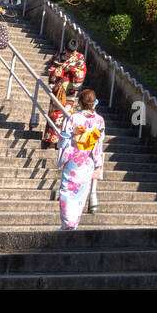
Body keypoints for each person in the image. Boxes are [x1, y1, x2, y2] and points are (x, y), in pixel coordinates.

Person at [57, 89, 104, 231]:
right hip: (88, 159)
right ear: (93, 103)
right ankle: (74, 224)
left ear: (80, 102)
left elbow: (64, 137)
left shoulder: (74, 118)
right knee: (81, 193)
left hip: (74, 156)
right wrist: (98, 162)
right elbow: (99, 142)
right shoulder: (99, 120)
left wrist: (63, 150)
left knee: (66, 189)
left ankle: (67, 223)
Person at [42, 39, 87, 148]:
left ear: (75, 51)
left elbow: (81, 73)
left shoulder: (80, 59)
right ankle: (49, 139)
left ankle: (61, 141)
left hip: (69, 92)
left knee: (66, 116)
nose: (68, 54)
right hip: (58, 89)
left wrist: (70, 68)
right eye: (67, 52)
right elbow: (52, 68)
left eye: (71, 53)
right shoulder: (58, 56)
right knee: (53, 114)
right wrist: (59, 71)